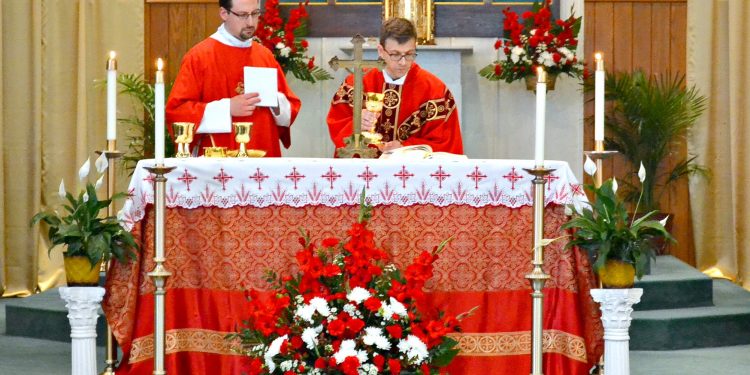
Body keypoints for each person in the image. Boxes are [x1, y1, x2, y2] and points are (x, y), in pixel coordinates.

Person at [166, 0, 301, 157]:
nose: (251, 22)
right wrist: (227, 108)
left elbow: (291, 108)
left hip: (263, 157)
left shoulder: (265, 56)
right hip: (218, 160)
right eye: (243, 15)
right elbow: (177, 112)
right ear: (224, 13)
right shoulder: (200, 56)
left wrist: (275, 102)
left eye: (255, 14)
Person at [326, 18, 463, 156]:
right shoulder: (356, 84)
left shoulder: (435, 91)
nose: (403, 62)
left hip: (411, 174)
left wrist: (405, 148)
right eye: (395, 54)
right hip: (364, 172)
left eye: (409, 54)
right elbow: (337, 125)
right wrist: (355, 125)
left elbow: (446, 144)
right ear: (381, 51)